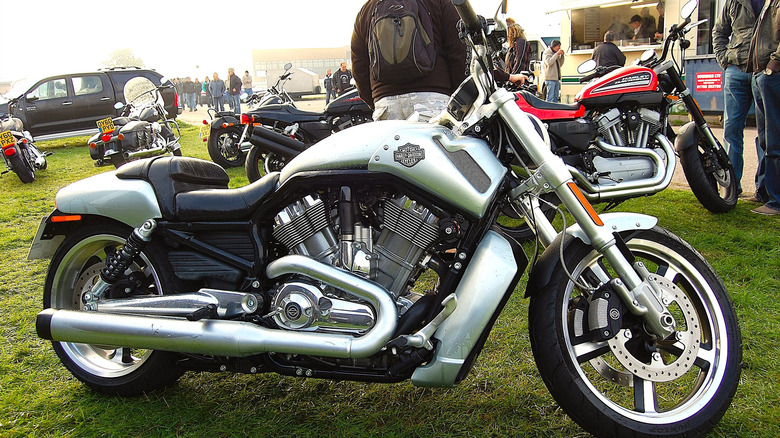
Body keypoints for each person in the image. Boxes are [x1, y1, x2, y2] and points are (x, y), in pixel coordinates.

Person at [351, 0, 466, 121]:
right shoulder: (440, 3)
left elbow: (359, 67)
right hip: (432, 100)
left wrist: (377, 97)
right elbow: (459, 52)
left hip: (386, 105)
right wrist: (456, 96)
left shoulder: (368, 9)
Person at [713, 0, 763, 199]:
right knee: (732, 130)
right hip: (736, 69)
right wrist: (724, 60)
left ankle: (765, 191)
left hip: (765, 68)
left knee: (767, 133)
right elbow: (719, 31)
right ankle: (732, 188)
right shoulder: (733, 1)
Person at [746, 0, 780, 215]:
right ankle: (766, 193)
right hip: (760, 74)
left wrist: (773, 65)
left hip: (771, 74)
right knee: (766, 139)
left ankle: (776, 201)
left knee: (775, 140)